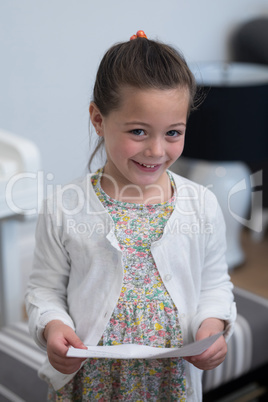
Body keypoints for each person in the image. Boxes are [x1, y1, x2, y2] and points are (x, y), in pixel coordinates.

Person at [25, 31, 236, 401]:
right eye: (138, 131)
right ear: (98, 119)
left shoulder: (201, 204)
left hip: (170, 381)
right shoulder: (64, 206)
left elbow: (214, 285)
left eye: (173, 132)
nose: (156, 150)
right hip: (92, 382)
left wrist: (213, 326)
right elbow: (44, 289)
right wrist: (52, 326)